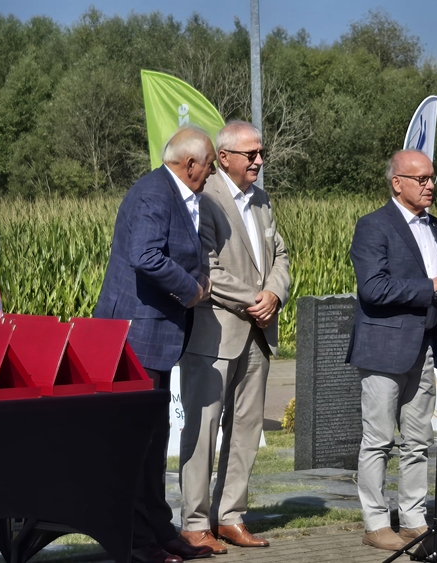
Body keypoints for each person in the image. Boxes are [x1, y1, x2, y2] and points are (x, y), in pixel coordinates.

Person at [93, 125, 217, 563]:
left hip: (155, 336)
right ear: (190, 164)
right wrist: (192, 290)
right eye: (210, 165)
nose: (211, 173)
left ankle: (159, 530)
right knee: (138, 443)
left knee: (154, 438)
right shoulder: (154, 193)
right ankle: (137, 540)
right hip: (137, 336)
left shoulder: (175, 194)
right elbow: (145, 256)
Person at [347, 149, 437, 552]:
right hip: (384, 347)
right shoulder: (373, 226)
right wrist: (431, 286)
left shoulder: (435, 226)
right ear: (397, 183)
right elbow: (374, 288)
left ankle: (414, 519)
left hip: (427, 345)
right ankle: (376, 523)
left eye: (432, 177)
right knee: (379, 440)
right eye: (422, 179)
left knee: (418, 441)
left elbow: (436, 280)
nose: (430, 185)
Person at [177, 120, 291, 554]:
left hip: (259, 332)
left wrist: (274, 294)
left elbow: (280, 254)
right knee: (203, 430)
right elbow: (206, 267)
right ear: (224, 158)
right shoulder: (204, 198)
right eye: (251, 154)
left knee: (246, 430)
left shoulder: (261, 199)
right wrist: (255, 300)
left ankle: (230, 517)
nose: (259, 161)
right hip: (216, 334)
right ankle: (193, 523)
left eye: (261, 153)